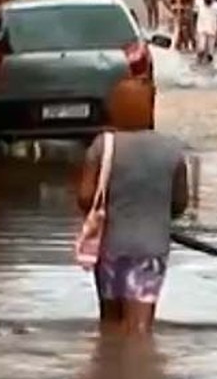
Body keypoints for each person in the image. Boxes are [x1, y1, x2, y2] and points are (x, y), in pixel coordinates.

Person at [75, 106, 190, 335]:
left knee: (109, 322)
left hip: (109, 247)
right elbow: (179, 205)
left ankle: (108, 366)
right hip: (151, 248)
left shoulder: (103, 145)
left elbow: (86, 197)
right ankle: (140, 366)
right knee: (140, 327)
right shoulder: (173, 149)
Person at [194, 0, 217, 64]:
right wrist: (193, 28)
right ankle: (198, 61)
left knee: (210, 53)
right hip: (201, 30)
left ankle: (209, 64)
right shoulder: (199, 3)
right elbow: (194, 15)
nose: (208, 0)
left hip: (212, 30)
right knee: (202, 48)